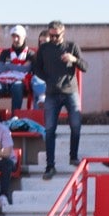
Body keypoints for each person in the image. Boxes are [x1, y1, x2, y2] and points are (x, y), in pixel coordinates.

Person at [32, 21, 85, 180]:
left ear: (63, 33)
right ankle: (50, 166)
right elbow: (36, 68)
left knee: (76, 125)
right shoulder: (44, 49)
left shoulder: (72, 46)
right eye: (51, 35)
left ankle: (73, 156)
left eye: (57, 35)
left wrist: (74, 59)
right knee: (49, 130)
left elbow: (85, 66)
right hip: (52, 93)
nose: (54, 38)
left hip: (70, 91)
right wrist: (47, 79)